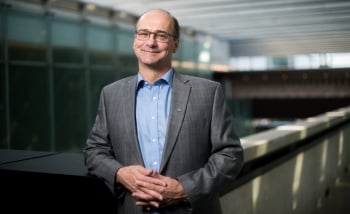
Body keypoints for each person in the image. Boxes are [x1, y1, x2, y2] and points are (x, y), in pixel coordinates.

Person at [83, 8, 244, 214]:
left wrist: (184, 189)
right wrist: (121, 173)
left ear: (175, 44)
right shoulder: (111, 94)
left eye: (161, 35)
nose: (150, 42)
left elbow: (231, 155)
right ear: (135, 40)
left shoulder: (208, 92)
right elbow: (94, 151)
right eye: (144, 33)